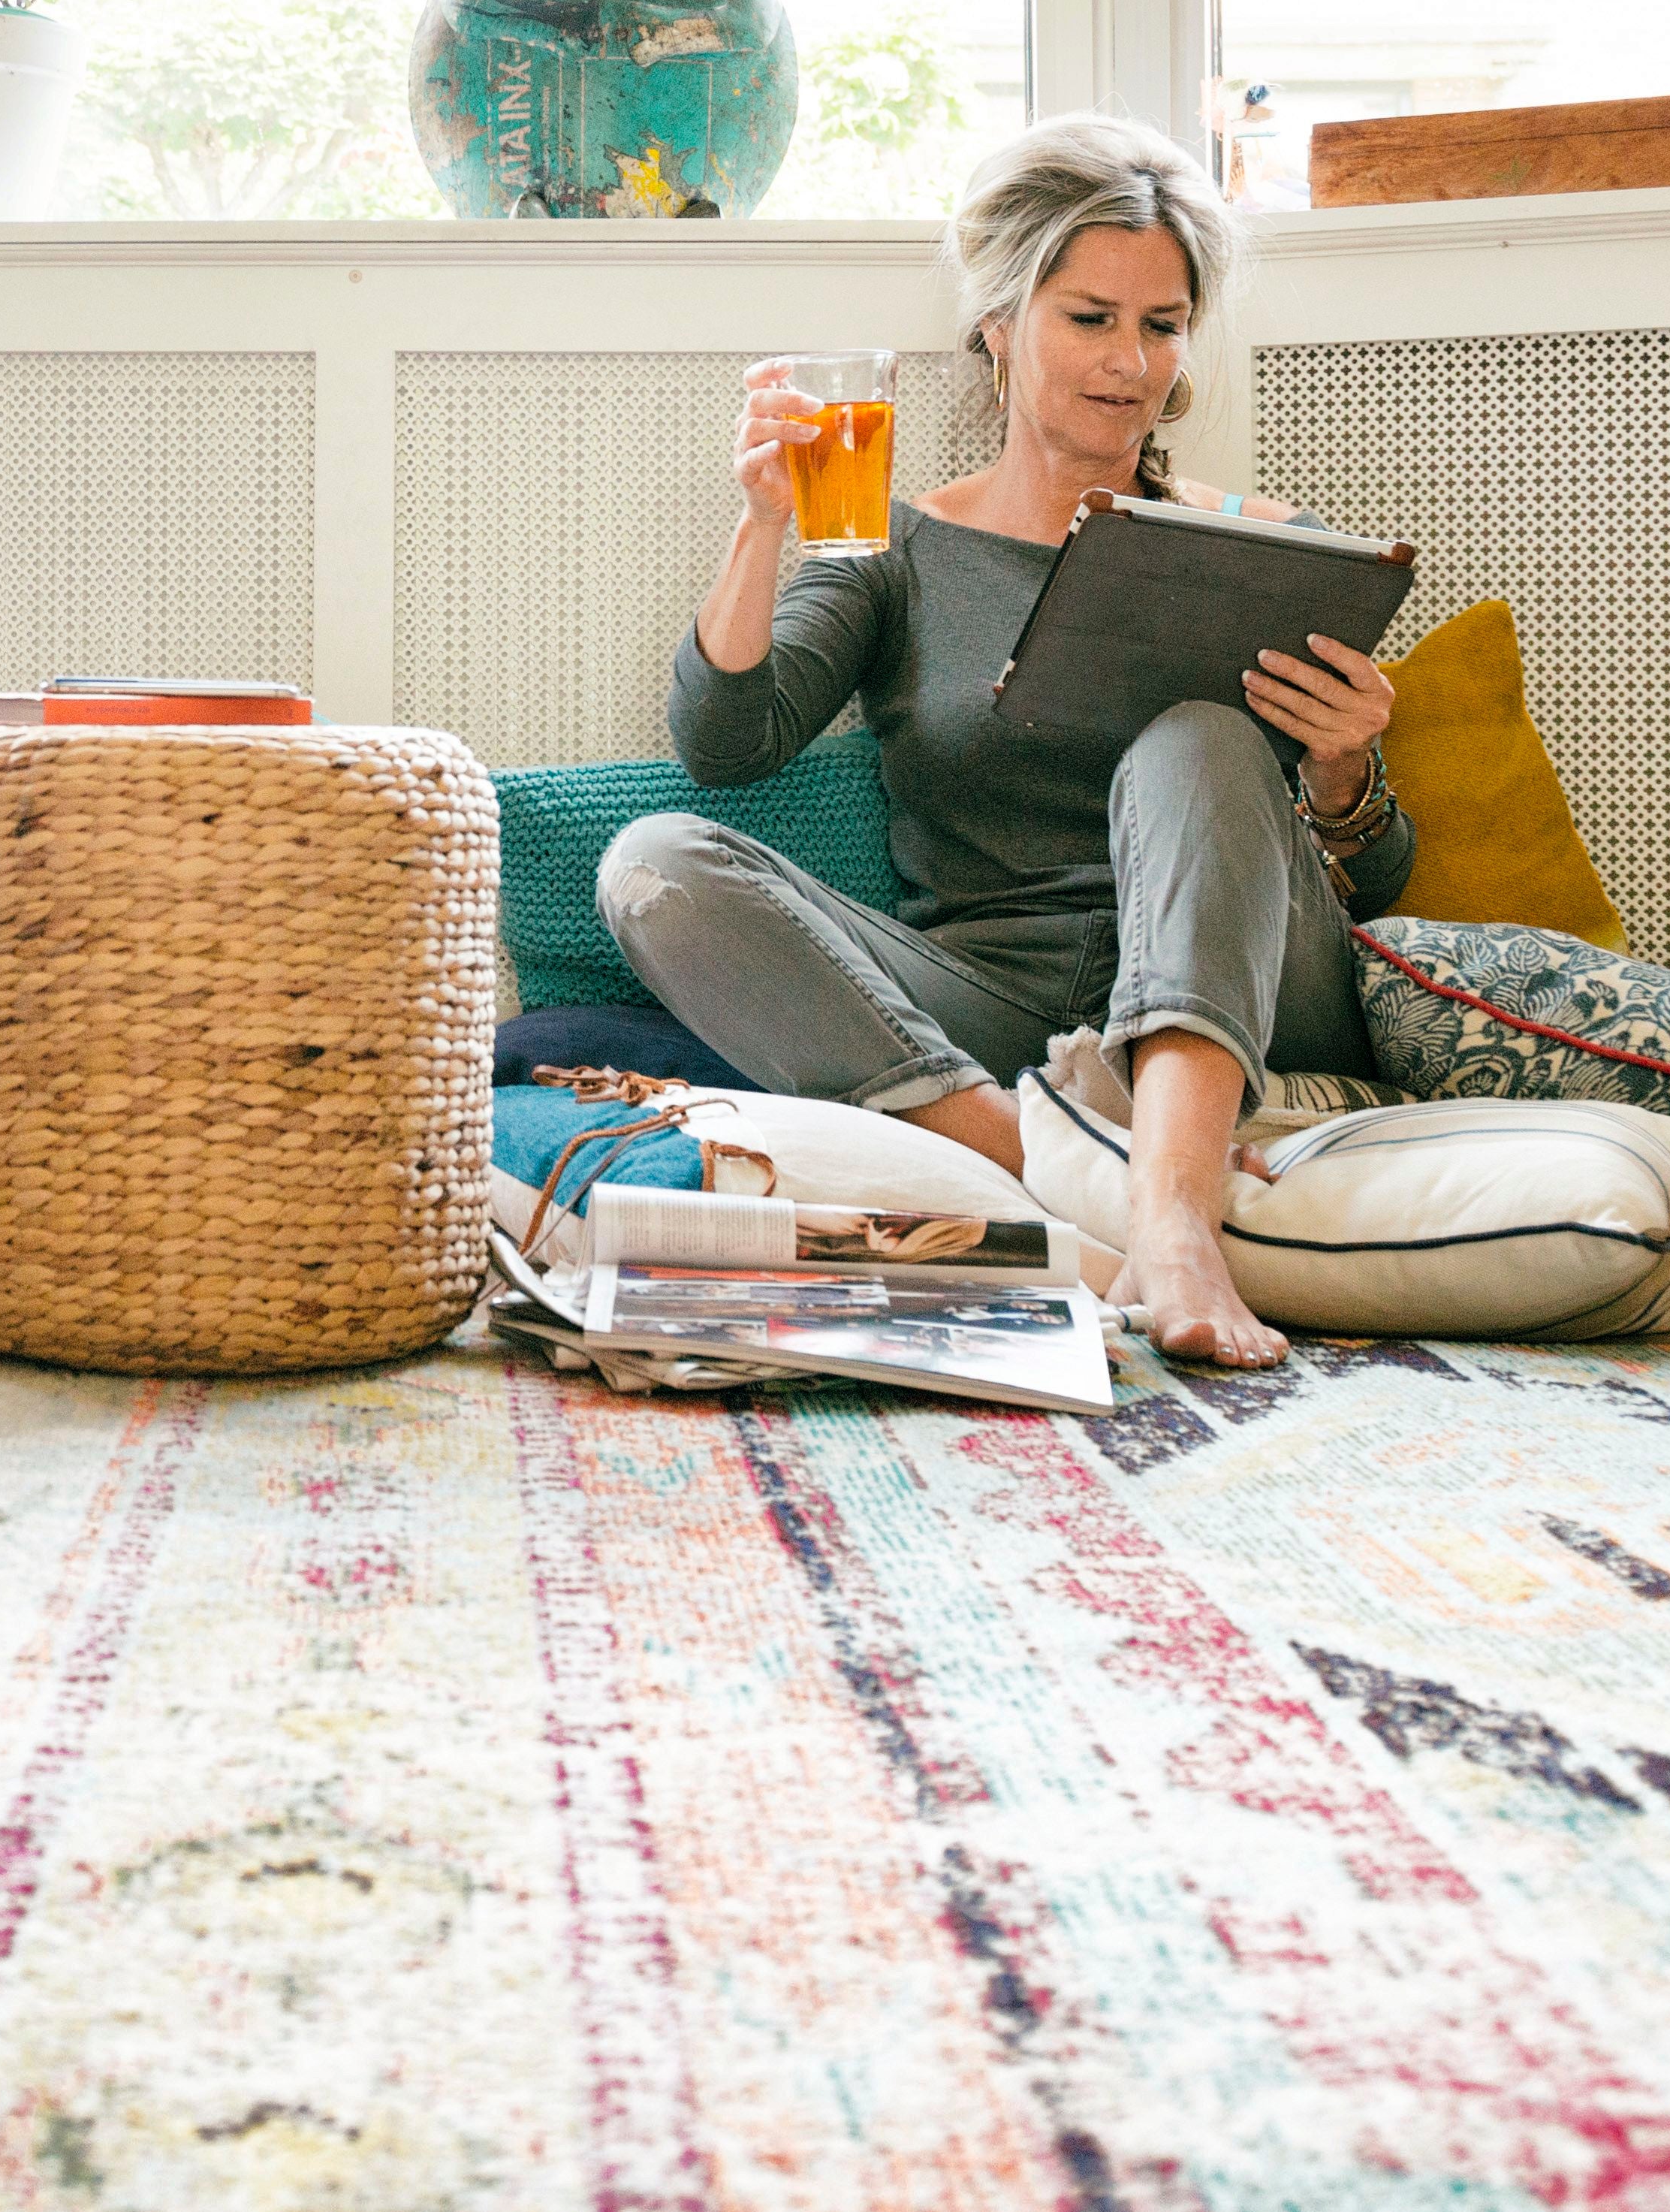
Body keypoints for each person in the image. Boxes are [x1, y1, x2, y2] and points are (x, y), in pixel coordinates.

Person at [593, 111, 1404, 1369]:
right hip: (994, 1012)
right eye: (1090, 318)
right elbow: (724, 739)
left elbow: (1376, 880)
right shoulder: (896, 547)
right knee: (654, 862)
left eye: (1162, 324)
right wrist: (765, 524)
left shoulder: (1258, 540)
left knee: (1193, 741)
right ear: (999, 324)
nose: (1130, 361)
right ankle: (1051, 1160)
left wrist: (1348, 770)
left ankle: (1175, 1223)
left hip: (1245, 1005)